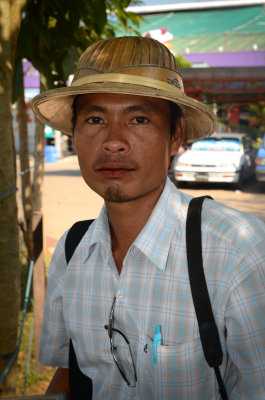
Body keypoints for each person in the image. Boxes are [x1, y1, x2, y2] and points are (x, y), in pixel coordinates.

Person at [32, 36, 265, 400]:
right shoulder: (72, 249)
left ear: (175, 137)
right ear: (74, 136)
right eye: (95, 119)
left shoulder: (237, 250)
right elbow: (69, 378)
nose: (113, 141)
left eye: (139, 118)